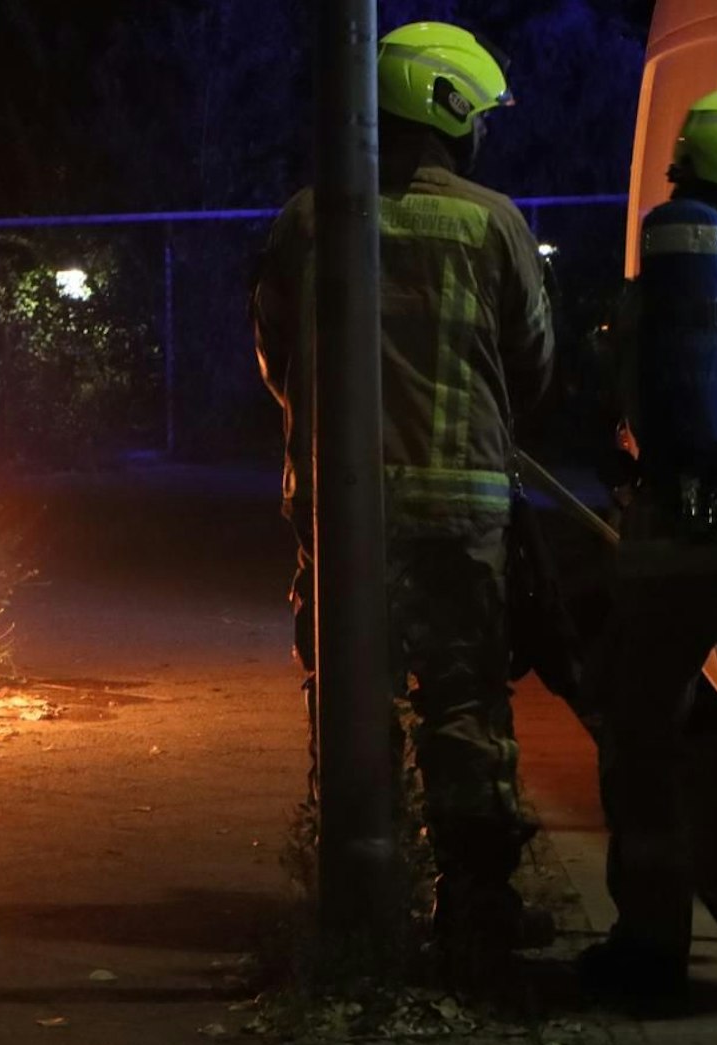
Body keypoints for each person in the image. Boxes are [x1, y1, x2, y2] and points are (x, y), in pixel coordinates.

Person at [251, 21, 555, 975]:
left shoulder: (310, 219)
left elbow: (275, 361)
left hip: (344, 521)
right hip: (462, 516)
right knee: (465, 704)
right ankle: (476, 912)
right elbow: (535, 366)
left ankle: (358, 910)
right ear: (450, 110)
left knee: (349, 701)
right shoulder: (496, 224)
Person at [584, 87, 717, 1034]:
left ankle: (649, 944)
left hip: (662, 554)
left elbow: (623, 415)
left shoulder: (647, 295)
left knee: (644, 753)